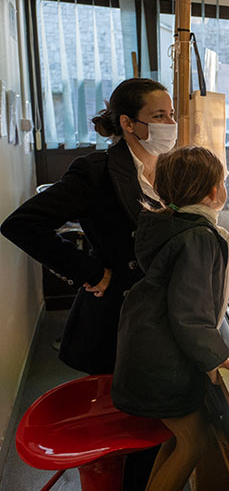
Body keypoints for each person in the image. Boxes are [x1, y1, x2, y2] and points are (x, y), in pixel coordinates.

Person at [1, 78, 177, 490]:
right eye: (159, 116)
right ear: (128, 124)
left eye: (171, 114)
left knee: (155, 419)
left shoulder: (165, 165)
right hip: (118, 319)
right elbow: (21, 224)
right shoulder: (97, 170)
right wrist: (92, 272)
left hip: (158, 316)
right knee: (134, 424)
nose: (171, 123)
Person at [112, 146, 229, 491]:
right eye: (222, 182)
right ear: (215, 192)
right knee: (195, 443)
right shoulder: (199, 236)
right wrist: (214, 357)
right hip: (162, 366)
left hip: (149, 355)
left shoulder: (172, 224)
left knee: (178, 439)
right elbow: (190, 312)